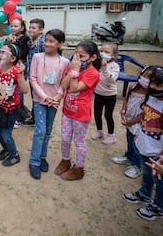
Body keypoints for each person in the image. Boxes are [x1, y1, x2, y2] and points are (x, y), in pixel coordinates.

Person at [54, 41, 101, 181]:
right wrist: (73, 70)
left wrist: (74, 71)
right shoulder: (74, 67)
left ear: (93, 58)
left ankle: (79, 168)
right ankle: (65, 160)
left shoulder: (93, 74)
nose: (77, 59)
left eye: (82, 56)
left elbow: (74, 88)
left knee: (79, 142)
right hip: (67, 111)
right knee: (64, 138)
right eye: (76, 55)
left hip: (81, 114)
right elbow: (64, 85)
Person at [123, 66, 163, 221]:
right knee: (146, 174)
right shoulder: (151, 99)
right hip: (144, 145)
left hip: (157, 153)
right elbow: (144, 118)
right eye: (152, 83)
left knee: (159, 181)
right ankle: (145, 194)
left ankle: (158, 207)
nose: (153, 87)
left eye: (158, 85)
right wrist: (139, 135)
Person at [28, 29, 69, 179]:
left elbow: (64, 82)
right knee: (40, 130)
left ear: (60, 44)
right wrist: (44, 96)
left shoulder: (65, 62)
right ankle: (34, 161)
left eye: (51, 41)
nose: (46, 43)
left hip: (54, 102)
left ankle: (42, 156)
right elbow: (32, 79)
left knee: (48, 130)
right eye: (46, 40)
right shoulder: (38, 57)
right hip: (40, 100)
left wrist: (57, 97)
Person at [0, 43, 29, 167]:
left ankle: (15, 155)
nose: (0, 54)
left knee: (6, 135)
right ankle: (6, 149)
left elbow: (25, 90)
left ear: (13, 58)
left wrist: (21, 75)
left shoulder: (15, 72)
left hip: (11, 109)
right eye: (0, 52)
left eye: (4, 52)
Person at [112, 66, 155, 178]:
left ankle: (136, 166)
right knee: (129, 139)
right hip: (129, 120)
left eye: (150, 78)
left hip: (138, 123)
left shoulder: (151, 96)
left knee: (137, 145)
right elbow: (127, 100)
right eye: (145, 75)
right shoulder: (133, 86)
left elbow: (145, 114)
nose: (146, 79)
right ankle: (128, 156)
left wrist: (131, 122)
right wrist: (123, 113)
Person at [91, 42, 120, 145]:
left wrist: (104, 68)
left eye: (107, 52)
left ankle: (111, 135)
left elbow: (112, 80)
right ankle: (99, 131)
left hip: (110, 95)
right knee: (97, 113)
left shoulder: (115, 66)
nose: (103, 53)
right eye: (101, 51)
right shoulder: (97, 63)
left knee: (108, 115)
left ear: (114, 55)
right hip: (98, 93)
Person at [5, 18, 30, 129]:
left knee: (18, 92)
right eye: (12, 26)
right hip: (10, 66)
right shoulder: (9, 37)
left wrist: (14, 43)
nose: (13, 28)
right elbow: (5, 51)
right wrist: (8, 42)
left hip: (20, 67)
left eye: (15, 26)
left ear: (22, 28)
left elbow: (24, 52)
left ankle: (19, 118)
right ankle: (12, 114)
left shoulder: (25, 39)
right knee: (10, 90)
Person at [24, 18, 46, 126]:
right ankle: (35, 117)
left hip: (40, 75)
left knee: (39, 97)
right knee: (34, 96)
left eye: (34, 28)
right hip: (32, 74)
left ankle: (39, 119)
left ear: (41, 30)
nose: (30, 30)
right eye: (30, 27)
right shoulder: (32, 41)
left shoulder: (42, 43)